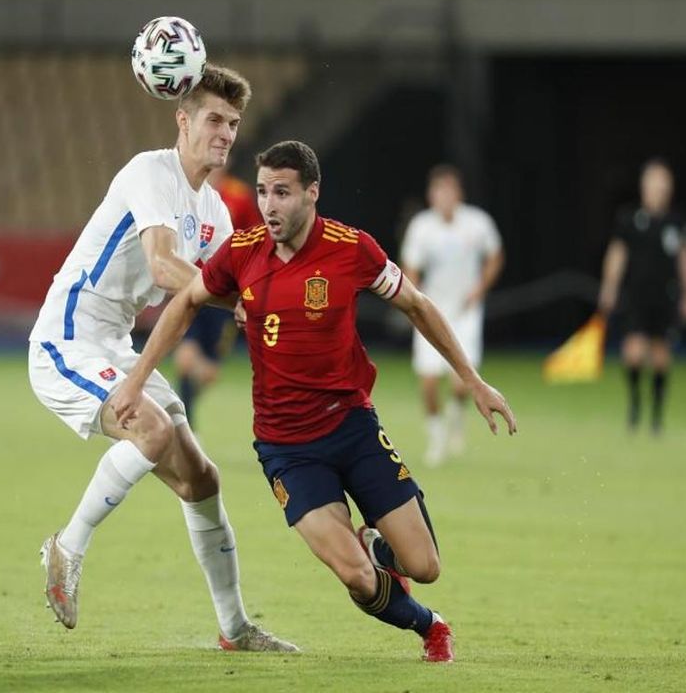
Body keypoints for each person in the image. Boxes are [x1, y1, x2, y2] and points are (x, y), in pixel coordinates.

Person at [111, 141, 518, 662]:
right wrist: (136, 379)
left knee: (425, 567)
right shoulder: (243, 251)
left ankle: (380, 544)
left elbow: (416, 305)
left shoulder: (352, 249)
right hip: (287, 449)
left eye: (281, 192)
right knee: (357, 576)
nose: (268, 205)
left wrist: (473, 380)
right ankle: (430, 626)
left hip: (353, 428)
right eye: (263, 192)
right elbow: (186, 301)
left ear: (312, 193)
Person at [27, 65, 296, 652]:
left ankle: (235, 630)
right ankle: (67, 547)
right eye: (214, 120)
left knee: (203, 479)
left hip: (116, 346)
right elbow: (166, 267)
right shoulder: (149, 172)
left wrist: (268, 298)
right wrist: (243, 298)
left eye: (233, 123)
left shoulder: (215, 212)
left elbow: (214, 292)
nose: (225, 133)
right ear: (183, 120)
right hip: (66, 339)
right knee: (150, 429)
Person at [399, 165, 503, 466]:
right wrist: (413, 300)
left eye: (449, 190)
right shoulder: (422, 226)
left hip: (465, 312)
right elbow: (410, 266)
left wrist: (479, 290)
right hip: (432, 311)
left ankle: (456, 417)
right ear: (431, 195)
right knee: (429, 382)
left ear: (459, 193)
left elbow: (495, 256)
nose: (444, 196)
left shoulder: (477, 223)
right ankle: (436, 439)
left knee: (461, 383)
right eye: (439, 190)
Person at [598, 159, 686, 433]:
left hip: (665, 296)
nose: (658, 188)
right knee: (632, 353)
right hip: (636, 296)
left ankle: (656, 415)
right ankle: (635, 404)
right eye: (654, 182)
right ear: (644, 186)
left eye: (663, 183)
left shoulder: (677, 222)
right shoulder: (629, 219)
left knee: (660, 357)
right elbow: (617, 254)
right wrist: (609, 287)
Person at [173, 169, 263, 429]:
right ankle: (185, 426)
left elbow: (255, 239)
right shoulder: (187, 194)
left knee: (209, 373)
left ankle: (175, 408)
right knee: (185, 358)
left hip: (224, 295)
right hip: (192, 288)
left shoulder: (239, 196)